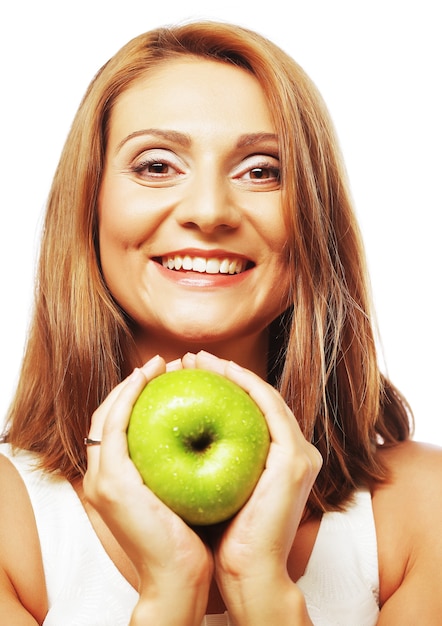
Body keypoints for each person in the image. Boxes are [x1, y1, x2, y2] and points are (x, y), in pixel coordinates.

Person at [1, 20, 441, 626]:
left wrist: (260, 585)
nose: (209, 211)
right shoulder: (9, 524)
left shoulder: (424, 510)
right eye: (156, 166)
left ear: (313, 218)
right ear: (91, 204)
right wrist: (170, 591)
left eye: (261, 171)